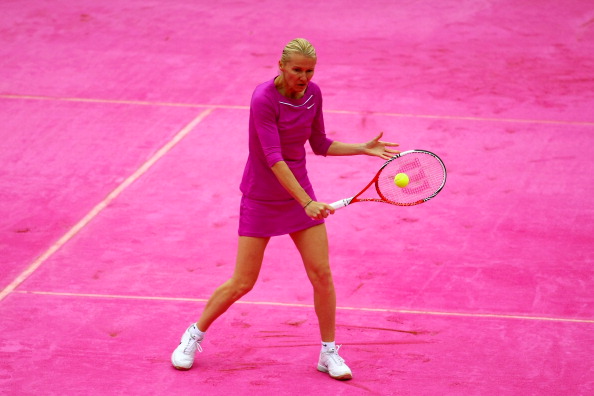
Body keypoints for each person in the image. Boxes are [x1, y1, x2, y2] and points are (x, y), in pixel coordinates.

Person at [171, 38, 399, 381]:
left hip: (300, 194)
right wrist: (306, 202)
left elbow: (319, 143)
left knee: (322, 274)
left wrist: (362, 149)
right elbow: (273, 157)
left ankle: (328, 352)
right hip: (262, 197)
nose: (303, 77)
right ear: (281, 67)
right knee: (242, 282)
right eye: (297, 70)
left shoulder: (313, 94)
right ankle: (194, 334)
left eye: (309, 71)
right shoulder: (263, 98)